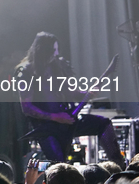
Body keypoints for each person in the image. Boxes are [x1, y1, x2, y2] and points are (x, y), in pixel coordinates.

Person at [16, 31, 125, 168]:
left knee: (103, 124)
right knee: (61, 168)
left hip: (68, 120)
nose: (56, 54)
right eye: (52, 50)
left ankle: (119, 168)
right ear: (42, 50)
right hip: (46, 128)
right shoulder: (25, 71)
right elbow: (27, 107)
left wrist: (86, 93)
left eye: (57, 50)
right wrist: (55, 117)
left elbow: (67, 91)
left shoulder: (55, 66)